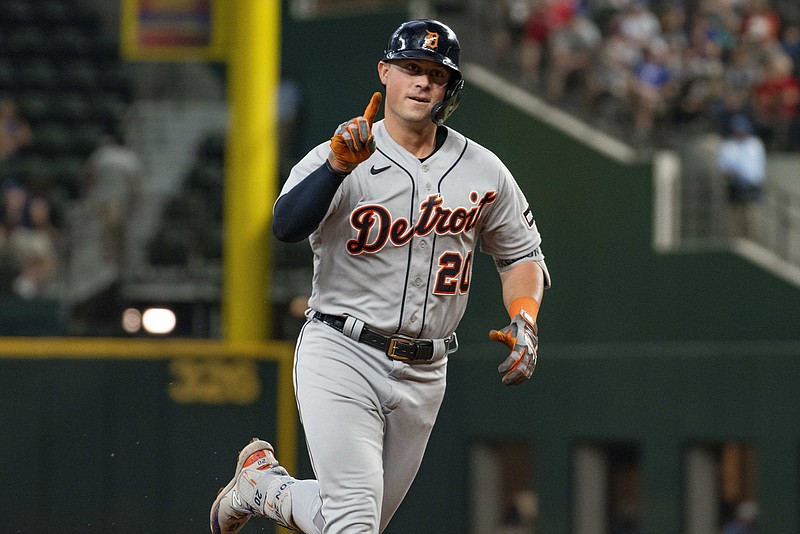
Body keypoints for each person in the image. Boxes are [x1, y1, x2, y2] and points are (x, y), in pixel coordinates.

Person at [210, 18, 550, 534]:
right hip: (342, 351)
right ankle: (265, 488)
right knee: (352, 523)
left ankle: (262, 487)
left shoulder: (483, 169)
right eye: (411, 68)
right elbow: (284, 226)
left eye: (436, 74)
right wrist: (335, 170)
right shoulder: (344, 150)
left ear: (449, 88)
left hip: (426, 369)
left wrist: (524, 318)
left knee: (344, 520)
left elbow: (520, 255)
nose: (422, 82)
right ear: (384, 73)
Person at [717, 114, 766, 240]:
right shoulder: (728, 146)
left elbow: (759, 167)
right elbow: (723, 167)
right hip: (735, 187)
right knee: (734, 221)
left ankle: (753, 243)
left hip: (752, 187)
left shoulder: (755, 144)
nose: (740, 132)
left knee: (752, 220)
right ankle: (735, 243)